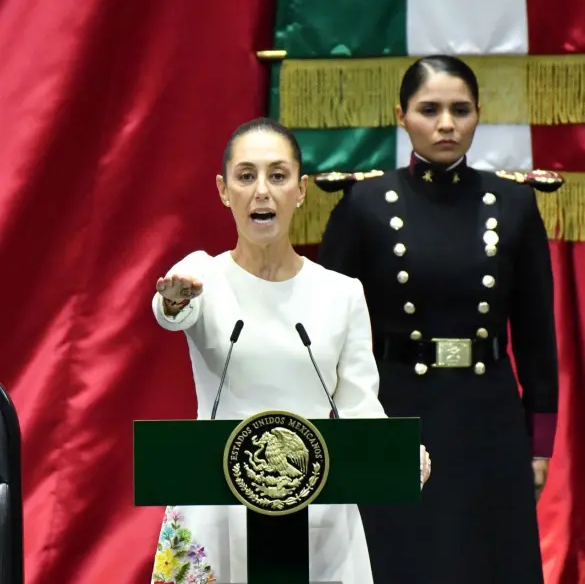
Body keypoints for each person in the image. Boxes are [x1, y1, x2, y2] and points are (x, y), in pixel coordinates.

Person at [149, 117, 431, 584]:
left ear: (300, 191)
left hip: (318, 515)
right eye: (246, 176)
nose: (262, 191)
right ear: (223, 190)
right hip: (216, 510)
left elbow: (359, 405)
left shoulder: (341, 293)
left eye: (277, 176)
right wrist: (174, 298)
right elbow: (171, 307)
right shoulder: (203, 276)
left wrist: (396, 453)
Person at [318, 55, 558, 584]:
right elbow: (330, 335)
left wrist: (539, 446)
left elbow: (538, 339)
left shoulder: (514, 204)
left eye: (460, 109)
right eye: (429, 109)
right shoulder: (365, 204)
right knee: (403, 562)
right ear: (401, 115)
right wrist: (339, 435)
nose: (446, 124)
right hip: (396, 414)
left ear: (479, 114)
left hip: (488, 415)